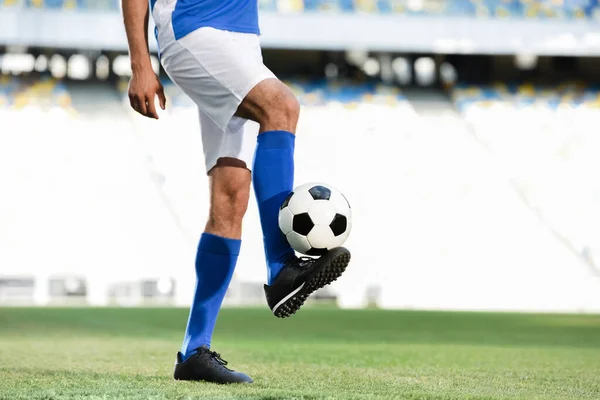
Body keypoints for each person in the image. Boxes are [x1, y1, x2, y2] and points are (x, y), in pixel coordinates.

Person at [122, 0, 351, 384]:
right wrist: (140, 64)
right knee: (281, 106)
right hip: (194, 28)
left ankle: (194, 351)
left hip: (243, 39)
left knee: (230, 197)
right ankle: (281, 268)